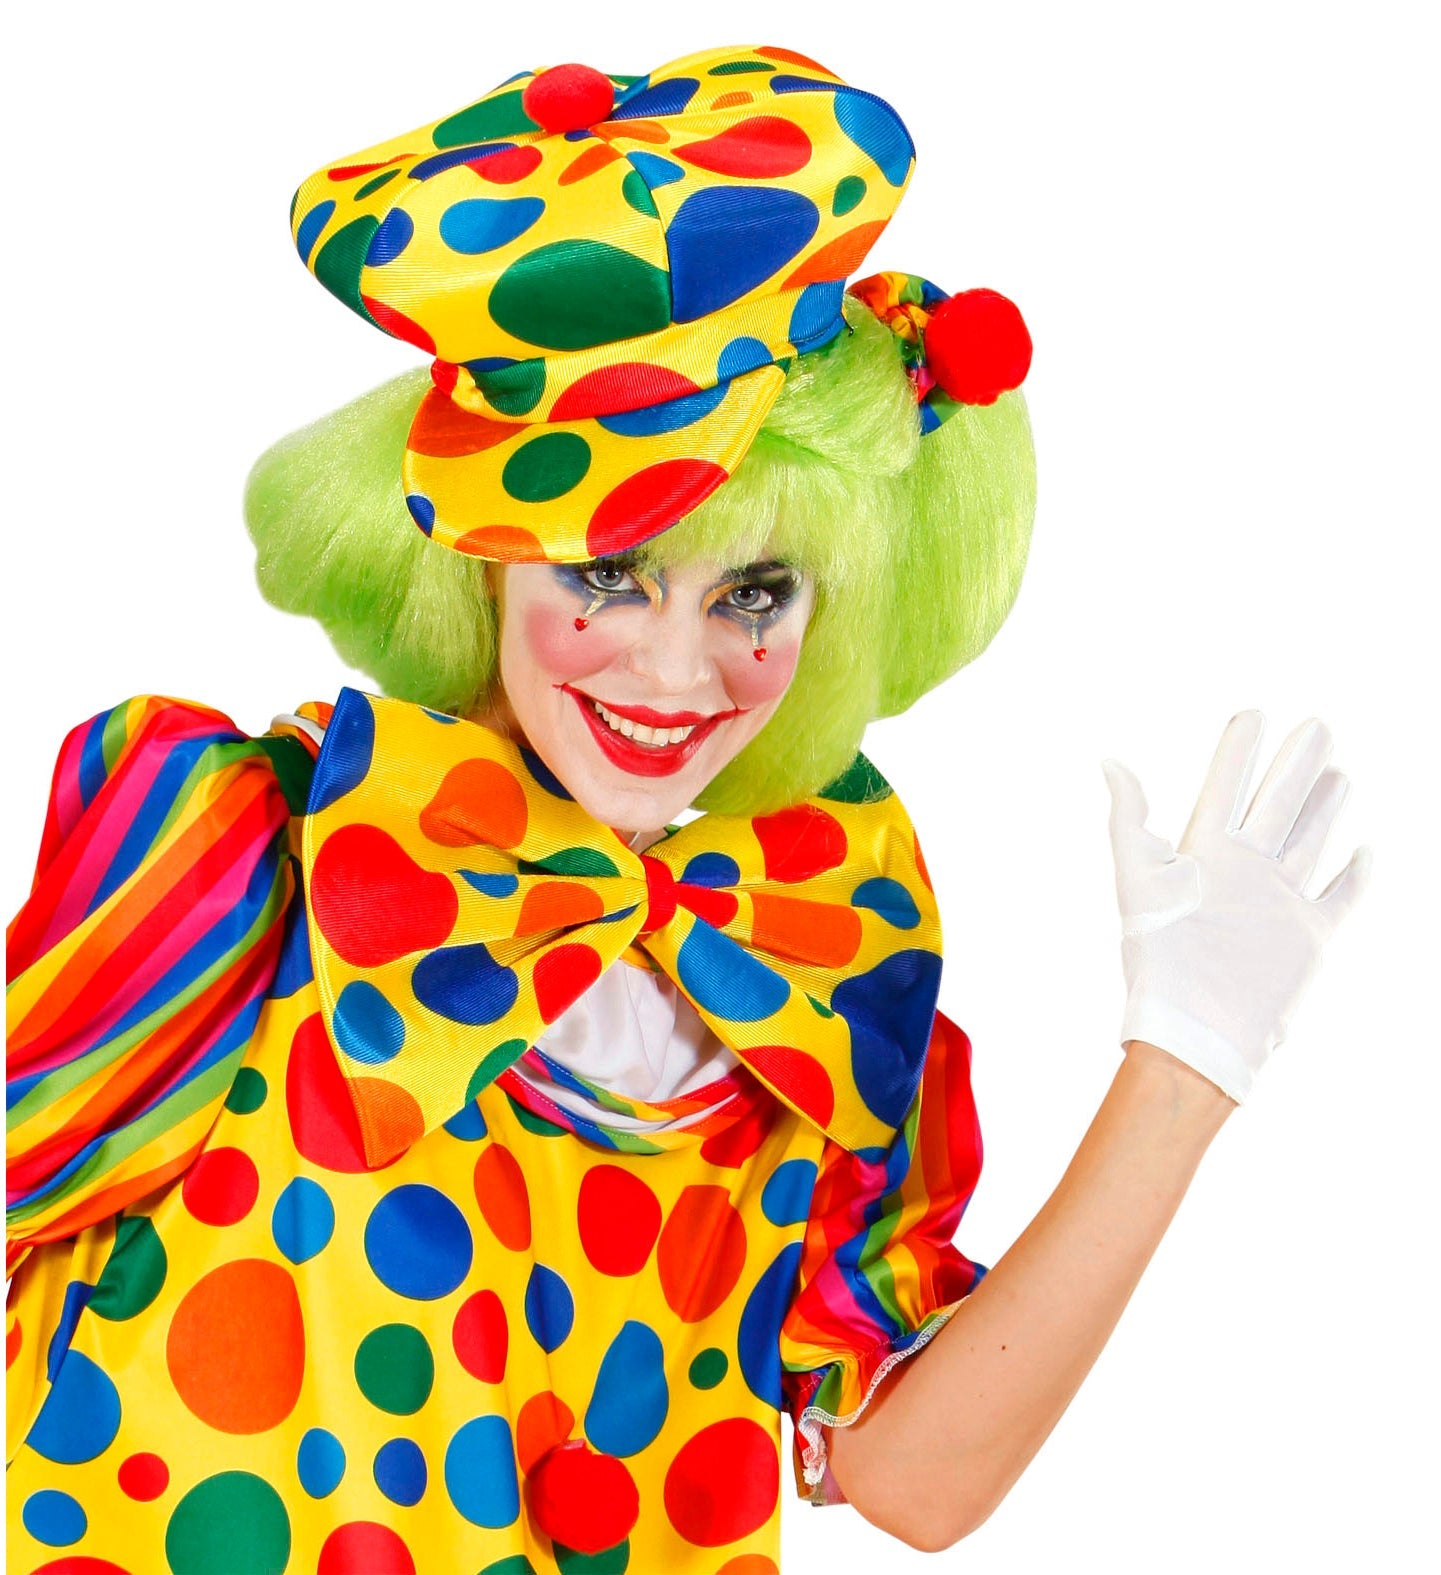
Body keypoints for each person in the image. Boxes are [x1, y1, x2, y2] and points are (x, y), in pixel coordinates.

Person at [5, 42, 1367, 1573]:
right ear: (474, 560)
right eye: (608, 574)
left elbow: (914, 1486)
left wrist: (1183, 1060)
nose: (675, 669)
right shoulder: (241, 848)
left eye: (753, 594)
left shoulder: (824, 973)